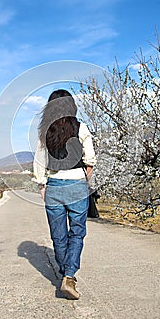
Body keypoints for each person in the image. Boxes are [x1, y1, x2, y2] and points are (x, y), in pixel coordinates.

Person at [33, 89, 96, 300]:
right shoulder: (81, 127)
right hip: (77, 183)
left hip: (54, 186)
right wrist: (82, 179)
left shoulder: (44, 131)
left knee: (58, 236)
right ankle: (69, 275)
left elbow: (39, 161)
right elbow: (90, 159)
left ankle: (65, 273)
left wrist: (43, 185)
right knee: (77, 233)